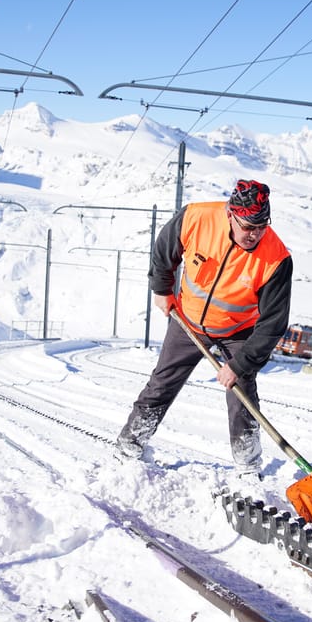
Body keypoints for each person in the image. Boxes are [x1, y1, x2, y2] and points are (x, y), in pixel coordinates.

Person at [116, 179, 293, 477]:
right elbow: (164, 251)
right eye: (248, 227)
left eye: (261, 226)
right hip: (188, 320)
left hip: (239, 330)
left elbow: (273, 324)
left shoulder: (276, 259)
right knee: (162, 383)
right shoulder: (196, 218)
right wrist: (162, 289)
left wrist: (239, 364)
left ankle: (248, 468)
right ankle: (128, 448)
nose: (255, 234)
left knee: (243, 396)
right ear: (230, 214)